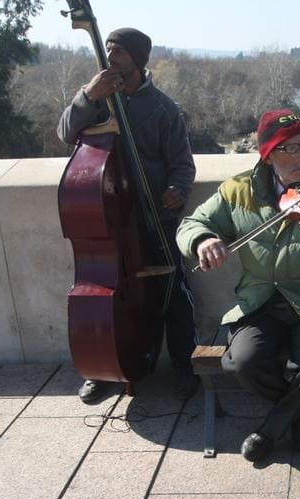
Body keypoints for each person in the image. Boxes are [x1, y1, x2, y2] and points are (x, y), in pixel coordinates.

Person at [176, 109, 300, 463]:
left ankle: (270, 430)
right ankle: (299, 419)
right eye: (290, 149)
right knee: (241, 362)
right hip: (259, 298)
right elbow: (192, 222)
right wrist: (202, 241)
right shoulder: (239, 190)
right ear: (268, 155)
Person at [57, 27, 200, 402]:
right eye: (108, 50)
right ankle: (106, 367)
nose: (111, 58)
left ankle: (186, 367)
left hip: (155, 218)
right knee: (104, 294)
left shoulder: (164, 108)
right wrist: (89, 96)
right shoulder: (95, 97)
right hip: (110, 222)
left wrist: (177, 191)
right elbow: (64, 132)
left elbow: (182, 165)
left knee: (173, 293)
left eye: (119, 52)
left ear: (139, 60)